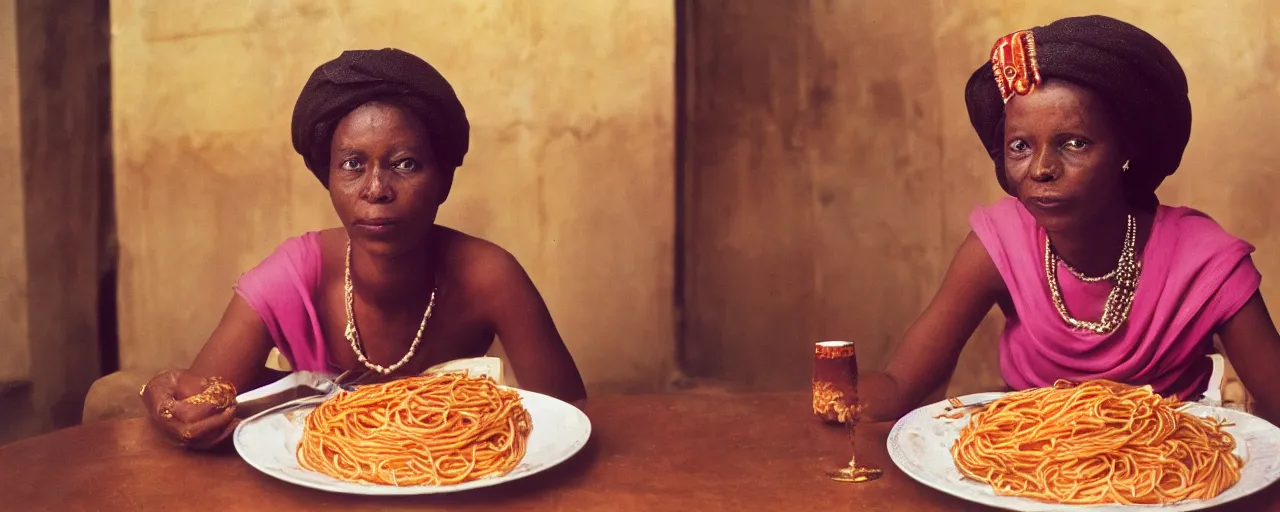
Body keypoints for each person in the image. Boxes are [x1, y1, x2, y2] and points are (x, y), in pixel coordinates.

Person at [139, 48, 587, 449]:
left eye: (405, 164)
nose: (376, 190)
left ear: (444, 180)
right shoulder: (292, 277)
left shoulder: (489, 276)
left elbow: (571, 420)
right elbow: (196, 407)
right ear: (328, 178)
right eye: (352, 165)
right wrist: (164, 402)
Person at [858, 15, 1280, 425]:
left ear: (1125, 151)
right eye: (1020, 146)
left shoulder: (1205, 260)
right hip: (1027, 478)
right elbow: (900, 386)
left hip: (1171, 483)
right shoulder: (998, 244)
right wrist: (833, 395)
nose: (1041, 168)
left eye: (1074, 143)